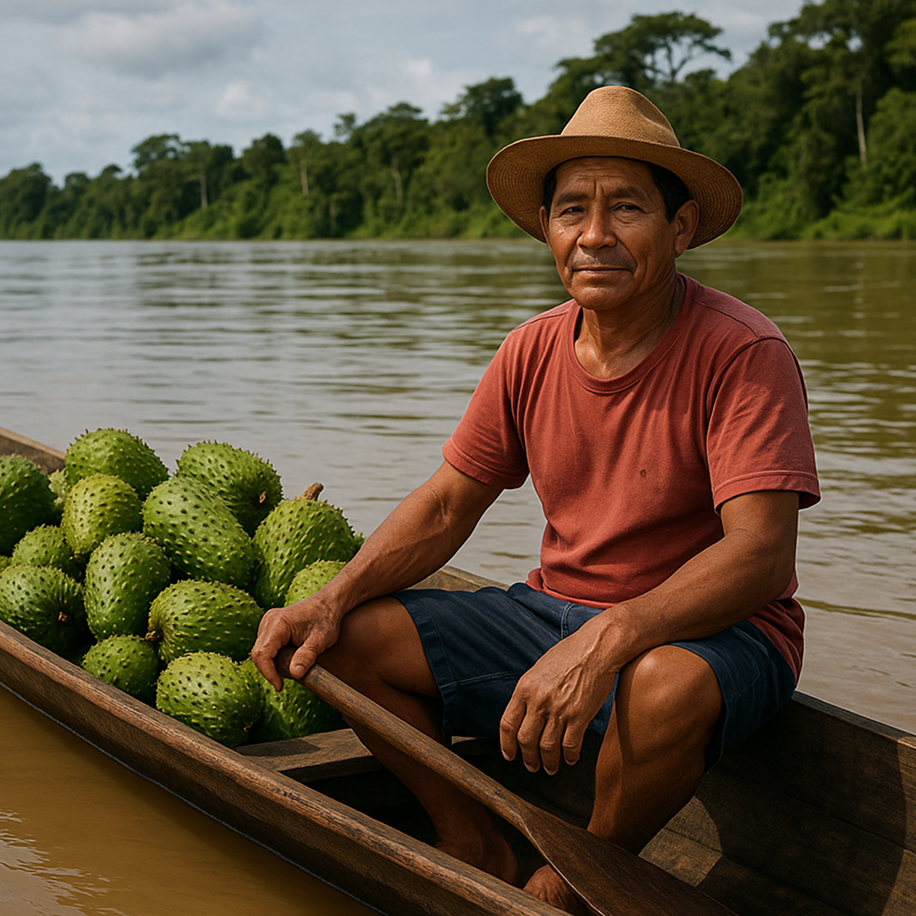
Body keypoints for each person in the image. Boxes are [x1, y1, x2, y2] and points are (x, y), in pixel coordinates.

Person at [252, 86, 820, 914]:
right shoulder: (531, 349)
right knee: (342, 643)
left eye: (626, 207)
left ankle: (582, 867)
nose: (594, 235)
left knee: (660, 685)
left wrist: (608, 643)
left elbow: (761, 557)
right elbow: (449, 504)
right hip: (553, 614)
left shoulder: (743, 352)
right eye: (571, 211)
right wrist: (331, 595)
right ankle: (469, 834)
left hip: (715, 635)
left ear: (682, 227)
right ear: (547, 229)